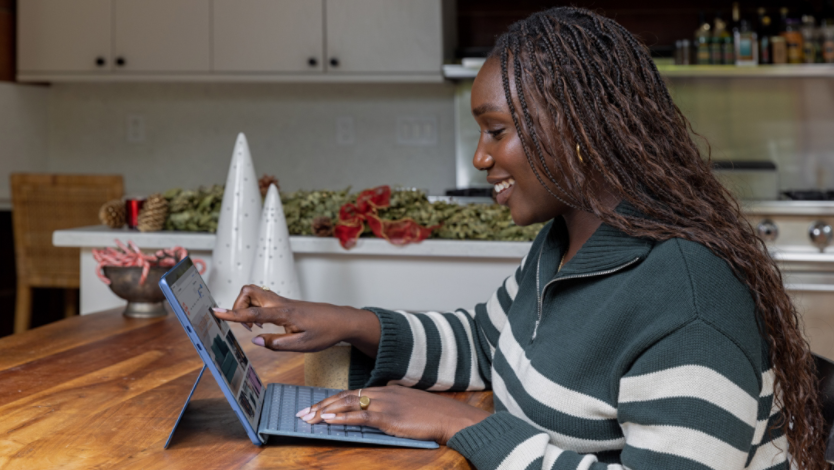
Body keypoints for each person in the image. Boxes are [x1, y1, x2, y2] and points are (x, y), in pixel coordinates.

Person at [213, 7, 825, 469]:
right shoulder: (564, 246)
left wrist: (459, 425)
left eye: (497, 129)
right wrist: (351, 323)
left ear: (580, 129)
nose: (481, 157)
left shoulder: (687, 299)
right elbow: (491, 341)